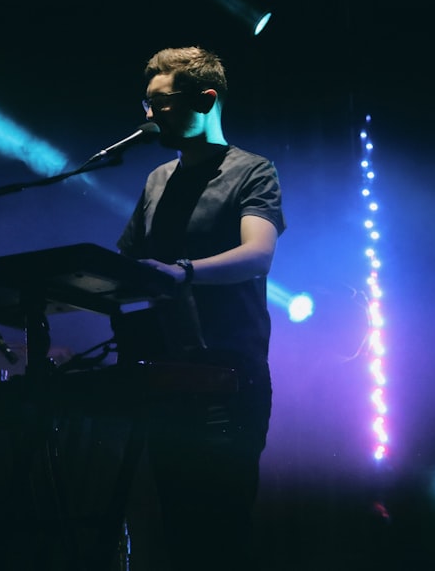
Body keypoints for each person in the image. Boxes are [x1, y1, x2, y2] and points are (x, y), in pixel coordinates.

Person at [115, 46, 286, 568]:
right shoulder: (156, 181)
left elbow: (257, 255)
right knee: (179, 535)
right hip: (166, 380)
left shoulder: (251, 171)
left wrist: (184, 272)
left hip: (229, 377)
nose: (148, 114)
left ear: (206, 99)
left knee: (221, 531)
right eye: (146, 103)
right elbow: (126, 265)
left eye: (159, 103)